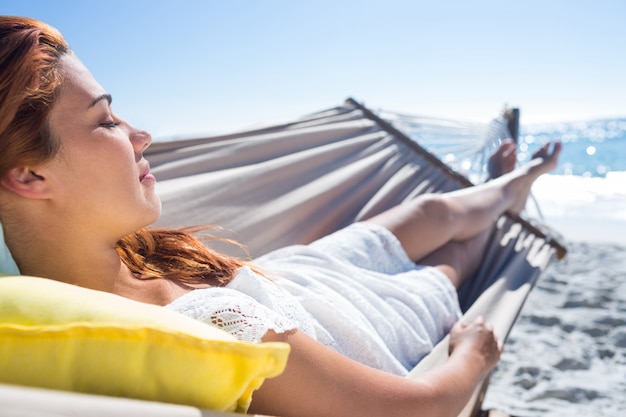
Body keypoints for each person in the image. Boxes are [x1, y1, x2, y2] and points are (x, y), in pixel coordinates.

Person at [0, 16, 562, 417]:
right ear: (29, 176)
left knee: (436, 208)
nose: (141, 135)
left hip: (296, 279)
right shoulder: (198, 330)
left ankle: (509, 181)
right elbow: (416, 410)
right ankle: (508, 189)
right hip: (357, 323)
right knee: (454, 261)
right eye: (105, 122)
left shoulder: (123, 253)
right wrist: (473, 356)